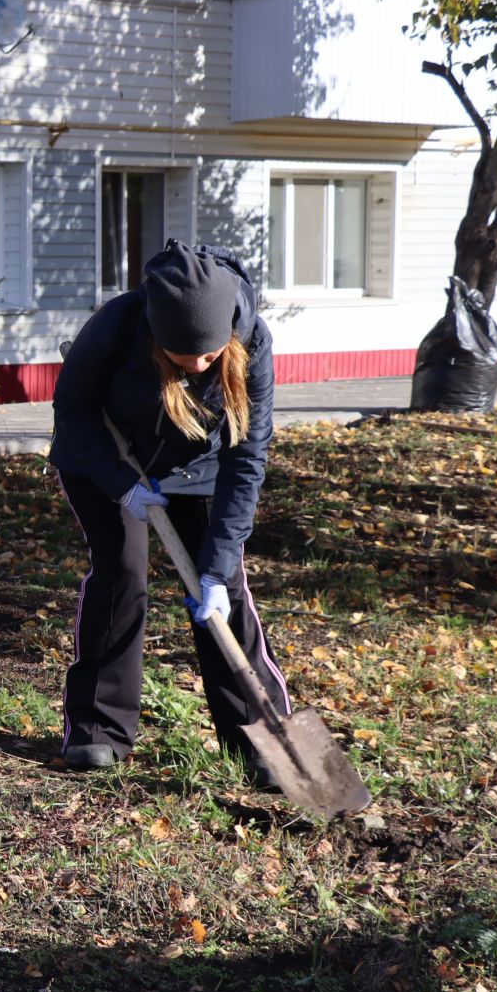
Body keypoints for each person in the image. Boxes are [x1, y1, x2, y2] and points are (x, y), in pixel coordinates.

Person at [46, 240, 292, 780]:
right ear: (158, 337)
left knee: (221, 593)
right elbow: (74, 410)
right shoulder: (119, 323)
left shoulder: (251, 342)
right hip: (106, 461)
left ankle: (266, 742)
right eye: (188, 356)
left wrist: (219, 562)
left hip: (199, 471)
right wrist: (122, 485)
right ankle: (97, 731)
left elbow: (247, 457)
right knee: (121, 574)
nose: (202, 365)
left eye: (210, 354)